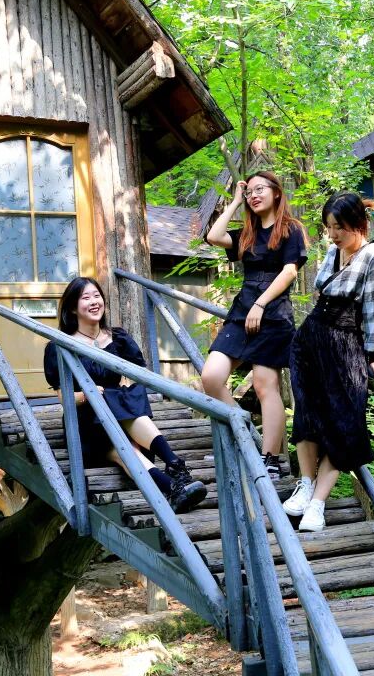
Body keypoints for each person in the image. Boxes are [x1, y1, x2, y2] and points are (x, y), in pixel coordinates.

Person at [43, 276, 207, 514]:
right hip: (87, 426)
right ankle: (174, 475)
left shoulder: (118, 338)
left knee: (127, 437)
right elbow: (63, 397)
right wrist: (88, 394)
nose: (94, 302)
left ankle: (174, 478)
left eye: (97, 296)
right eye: (86, 298)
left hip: (123, 418)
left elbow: (138, 374)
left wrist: (125, 384)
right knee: (123, 441)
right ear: (72, 308)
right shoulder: (60, 346)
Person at [283, 191, 374, 531]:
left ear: (358, 224)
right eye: (328, 227)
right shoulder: (333, 251)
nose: (332, 235)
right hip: (309, 342)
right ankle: (305, 485)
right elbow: (322, 292)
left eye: (339, 228)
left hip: (345, 346)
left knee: (342, 422)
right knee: (306, 413)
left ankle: (318, 503)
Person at [201, 171, 308, 480]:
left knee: (264, 385)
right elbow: (213, 237)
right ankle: (244, 429)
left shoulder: (291, 229)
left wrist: (261, 304)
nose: (254, 195)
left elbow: (289, 272)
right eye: (250, 192)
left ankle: (269, 459)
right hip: (241, 311)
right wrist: (235, 201)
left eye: (260, 189)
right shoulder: (247, 233)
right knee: (211, 377)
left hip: (273, 314)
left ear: (276, 192)